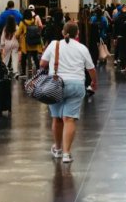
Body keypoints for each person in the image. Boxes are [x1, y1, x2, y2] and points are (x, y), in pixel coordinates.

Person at [40, 22, 96, 164]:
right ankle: (66, 154)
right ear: (77, 34)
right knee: (69, 119)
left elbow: (42, 64)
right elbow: (91, 69)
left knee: (57, 118)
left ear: (62, 32)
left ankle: (58, 149)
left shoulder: (54, 45)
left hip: (55, 84)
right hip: (76, 85)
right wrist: (94, 82)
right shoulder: (82, 48)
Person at [17, 8, 42, 77]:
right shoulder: (34, 21)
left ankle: (23, 73)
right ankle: (38, 70)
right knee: (35, 57)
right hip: (34, 42)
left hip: (26, 44)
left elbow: (18, 33)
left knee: (24, 58)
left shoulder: (22, 23)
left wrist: (18, 37)